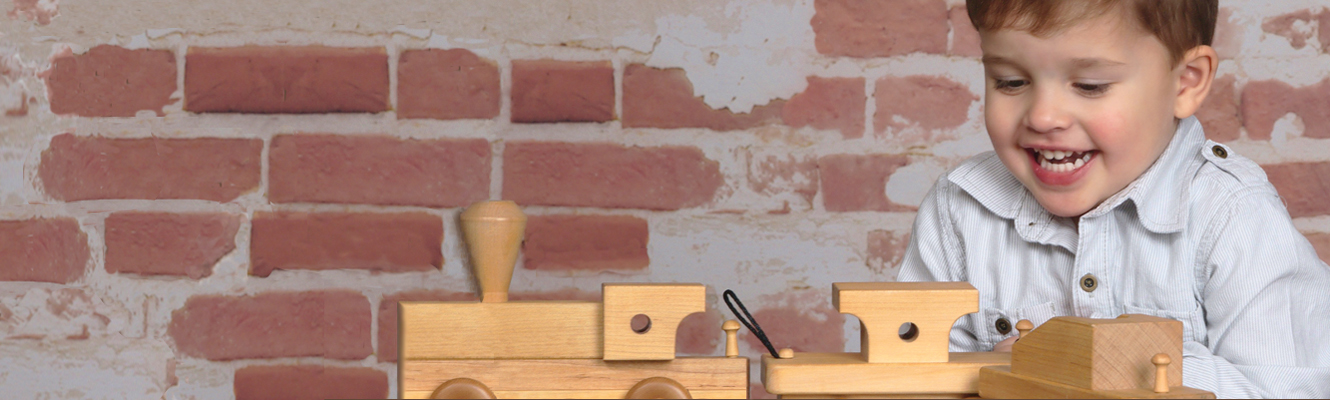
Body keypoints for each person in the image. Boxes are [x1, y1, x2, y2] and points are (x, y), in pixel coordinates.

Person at [896, 0, 1330, 397]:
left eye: (1089, 86)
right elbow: (908, 377)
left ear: (1185, 83)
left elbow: (1289, 387)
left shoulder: (1234, 215)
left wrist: (1099, 363)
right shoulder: (960, 208)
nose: (1044, 116)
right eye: (1011, 81)